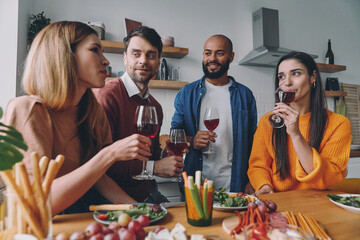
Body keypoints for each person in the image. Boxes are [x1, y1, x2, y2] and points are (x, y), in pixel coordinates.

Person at [1, 21, 153, 215]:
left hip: (81, 217)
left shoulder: (91, 111)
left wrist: (140, 210)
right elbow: (36, 204)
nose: (105, 61)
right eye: (94, 50)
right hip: (41, 226)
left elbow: (98, 177)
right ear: (64, 56)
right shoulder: (28, 110)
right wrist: (110, 153)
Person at [93, 26, 184, 203]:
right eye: (136, 54)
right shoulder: (106, 96)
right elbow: (100, 164)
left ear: (158, 62)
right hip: (113, 201)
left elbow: (151, 154)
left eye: (150, 55)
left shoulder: (155, 107)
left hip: (147, 193)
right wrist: (155, 167)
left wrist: (166, 154)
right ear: (125, 58)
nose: (143, 61)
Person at [248, 51, 352, 195]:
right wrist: (264, 186)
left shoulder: (339, 123)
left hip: (318, 204)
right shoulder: (269, 122)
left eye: (296, 73)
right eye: (281, 76)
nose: (287, 82)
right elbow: (258, 166)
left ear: (313, 77)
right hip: (279, 203)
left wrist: (295, 134)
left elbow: (328, 176)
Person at [171, 35, 257, 193]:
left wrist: (252, 180)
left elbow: (254, 143)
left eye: (219, 53)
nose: (212, 58)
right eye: (207, 53)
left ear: (231, 57)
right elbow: (175, 133)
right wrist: (192, 140)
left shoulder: (245, 95)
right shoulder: (187, 93)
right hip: (195, 184)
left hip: (236, 183)